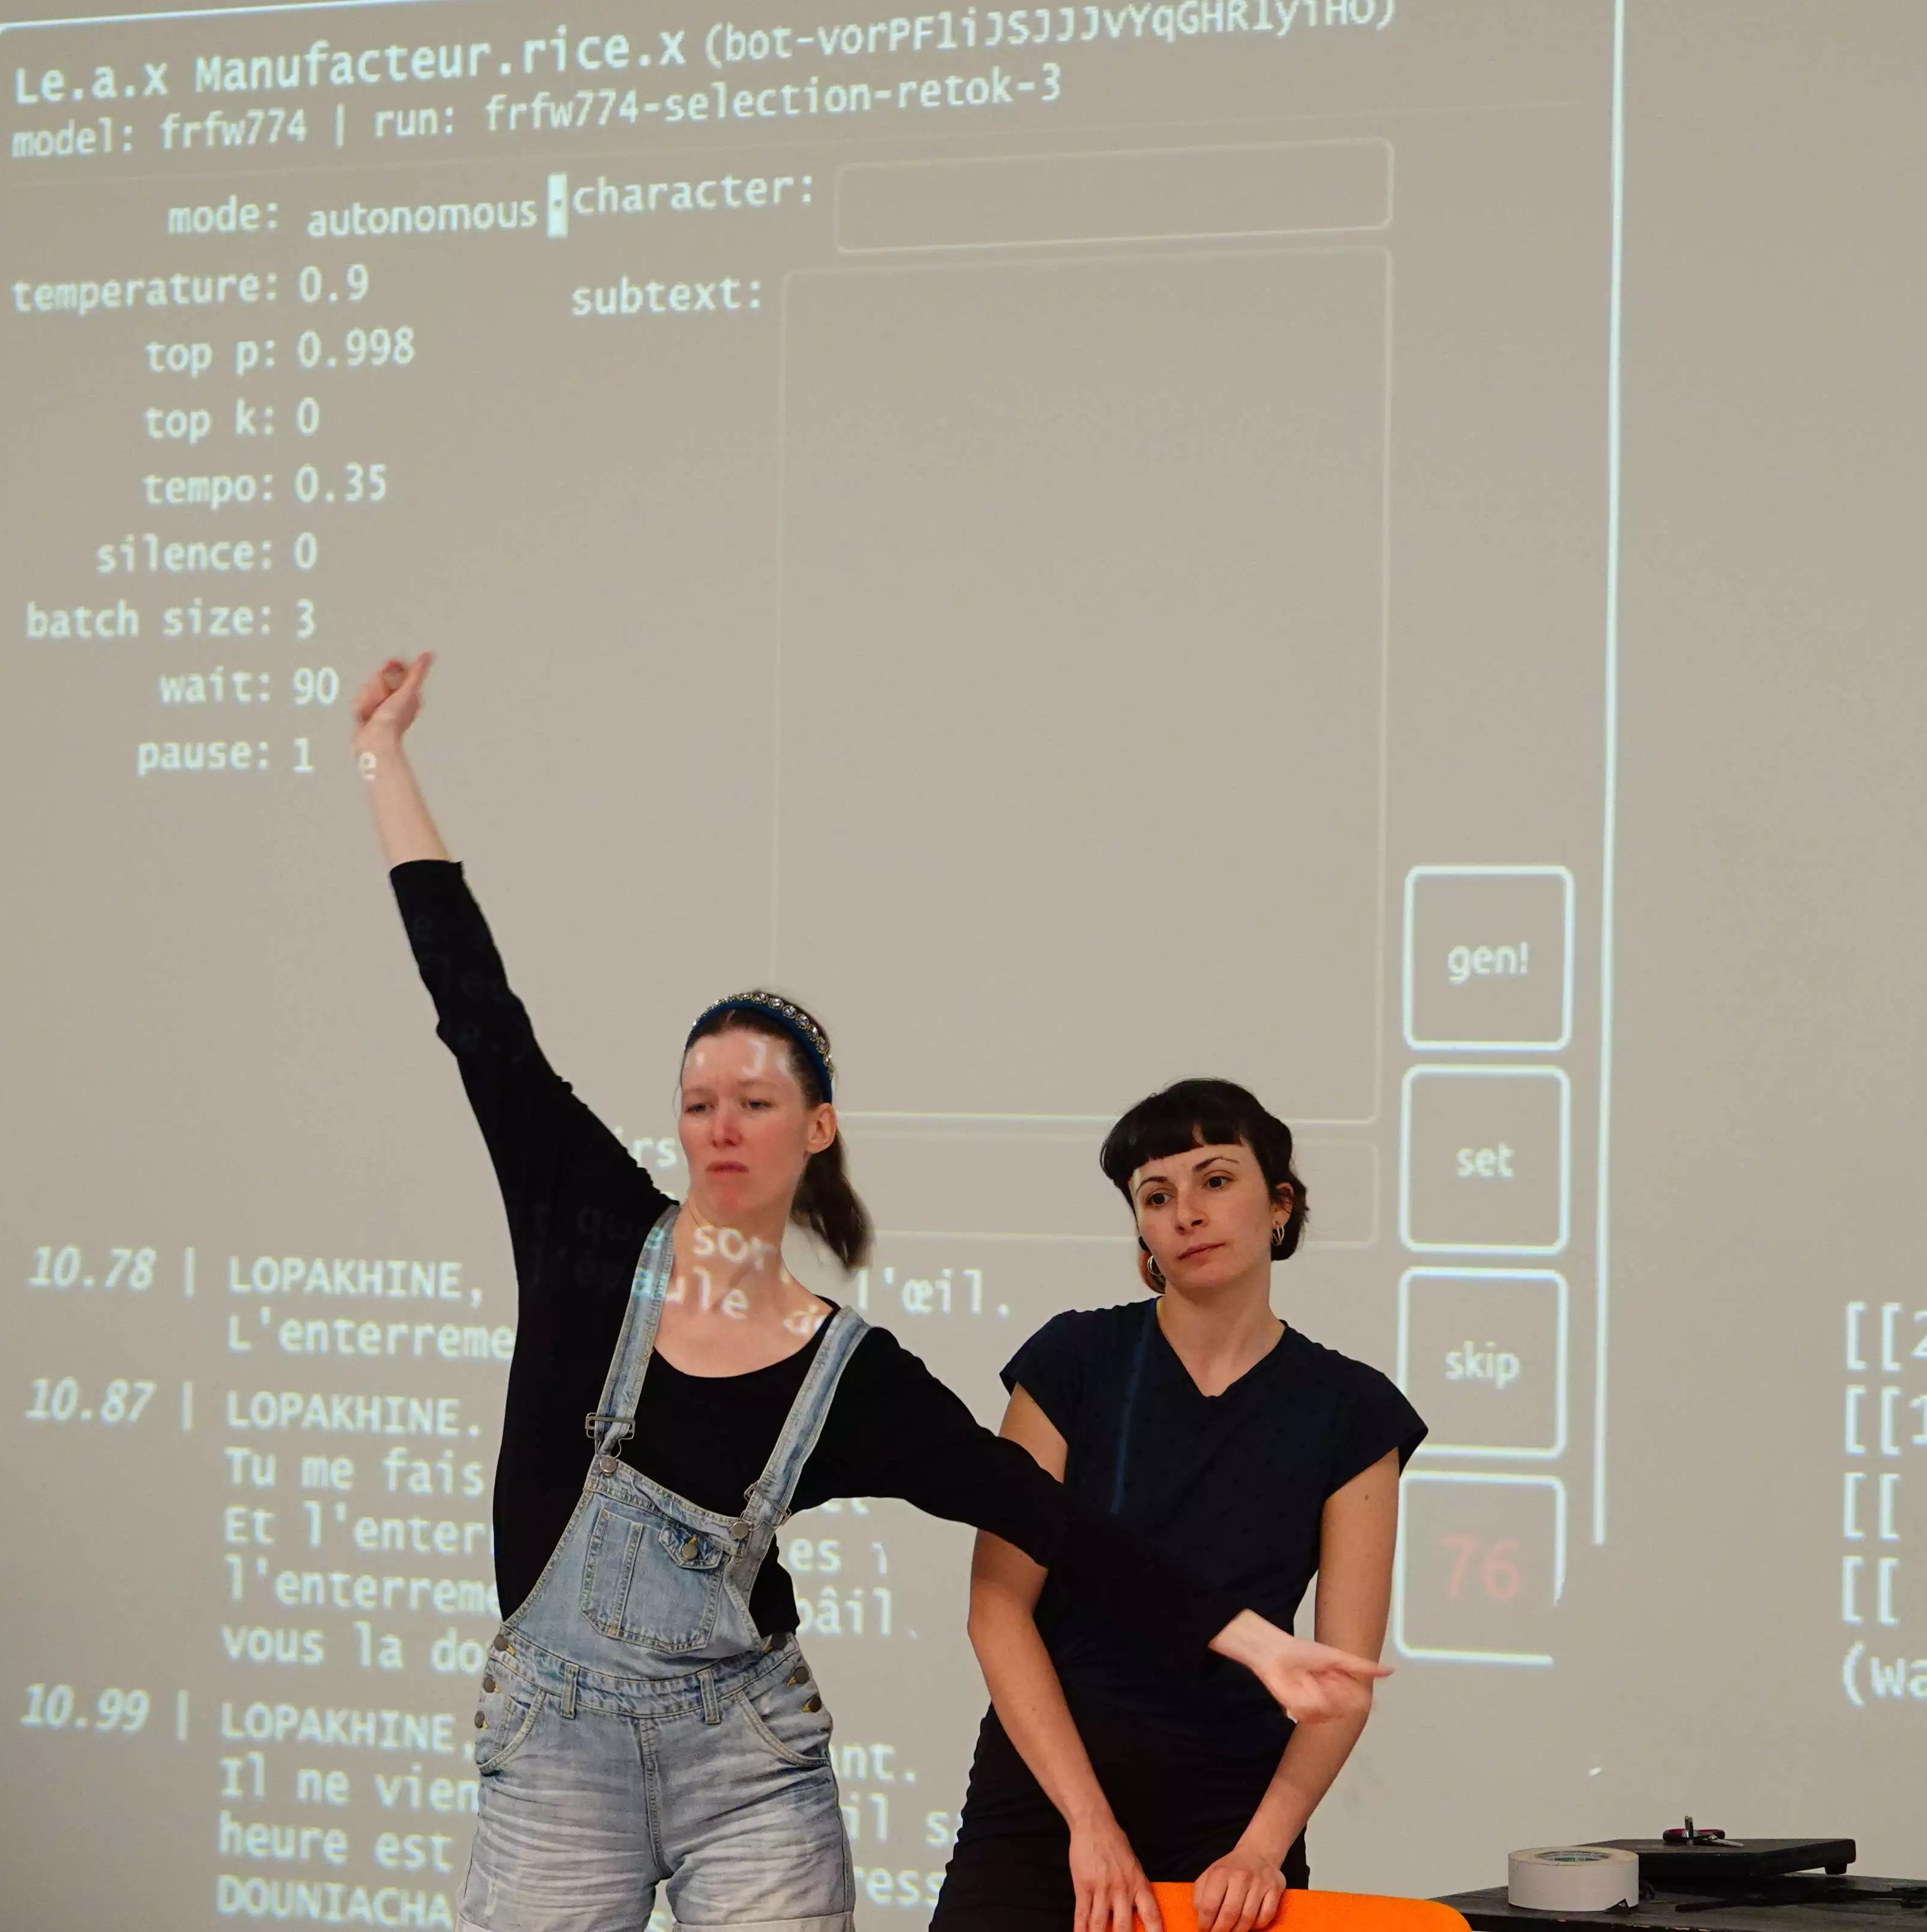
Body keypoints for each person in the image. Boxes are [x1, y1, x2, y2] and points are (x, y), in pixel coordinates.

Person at [348, 656, 1389, 1932]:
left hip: (747, 1765)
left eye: (756, 1100)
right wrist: (383, 757)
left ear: (816, 1127)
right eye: (698, 1101)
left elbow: (1045, 1519)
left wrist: (1256, 1640)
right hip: (554, 1762)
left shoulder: (853, 1377)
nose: (722, 1125)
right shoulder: (587, 1228)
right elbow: (476, 1008)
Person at [930, 1080, 1426, 1932]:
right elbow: (996, 1610)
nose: (1187, 1213)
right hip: (1047, 1797)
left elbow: (1341, 1679)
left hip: (1234, 1817)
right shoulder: (1073, 1360)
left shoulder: (1354, 1410)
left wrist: (1262, 1850)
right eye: (1156, 1197)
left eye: (1216, 1181)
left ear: (1280, 1206)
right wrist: (1089, 1824)